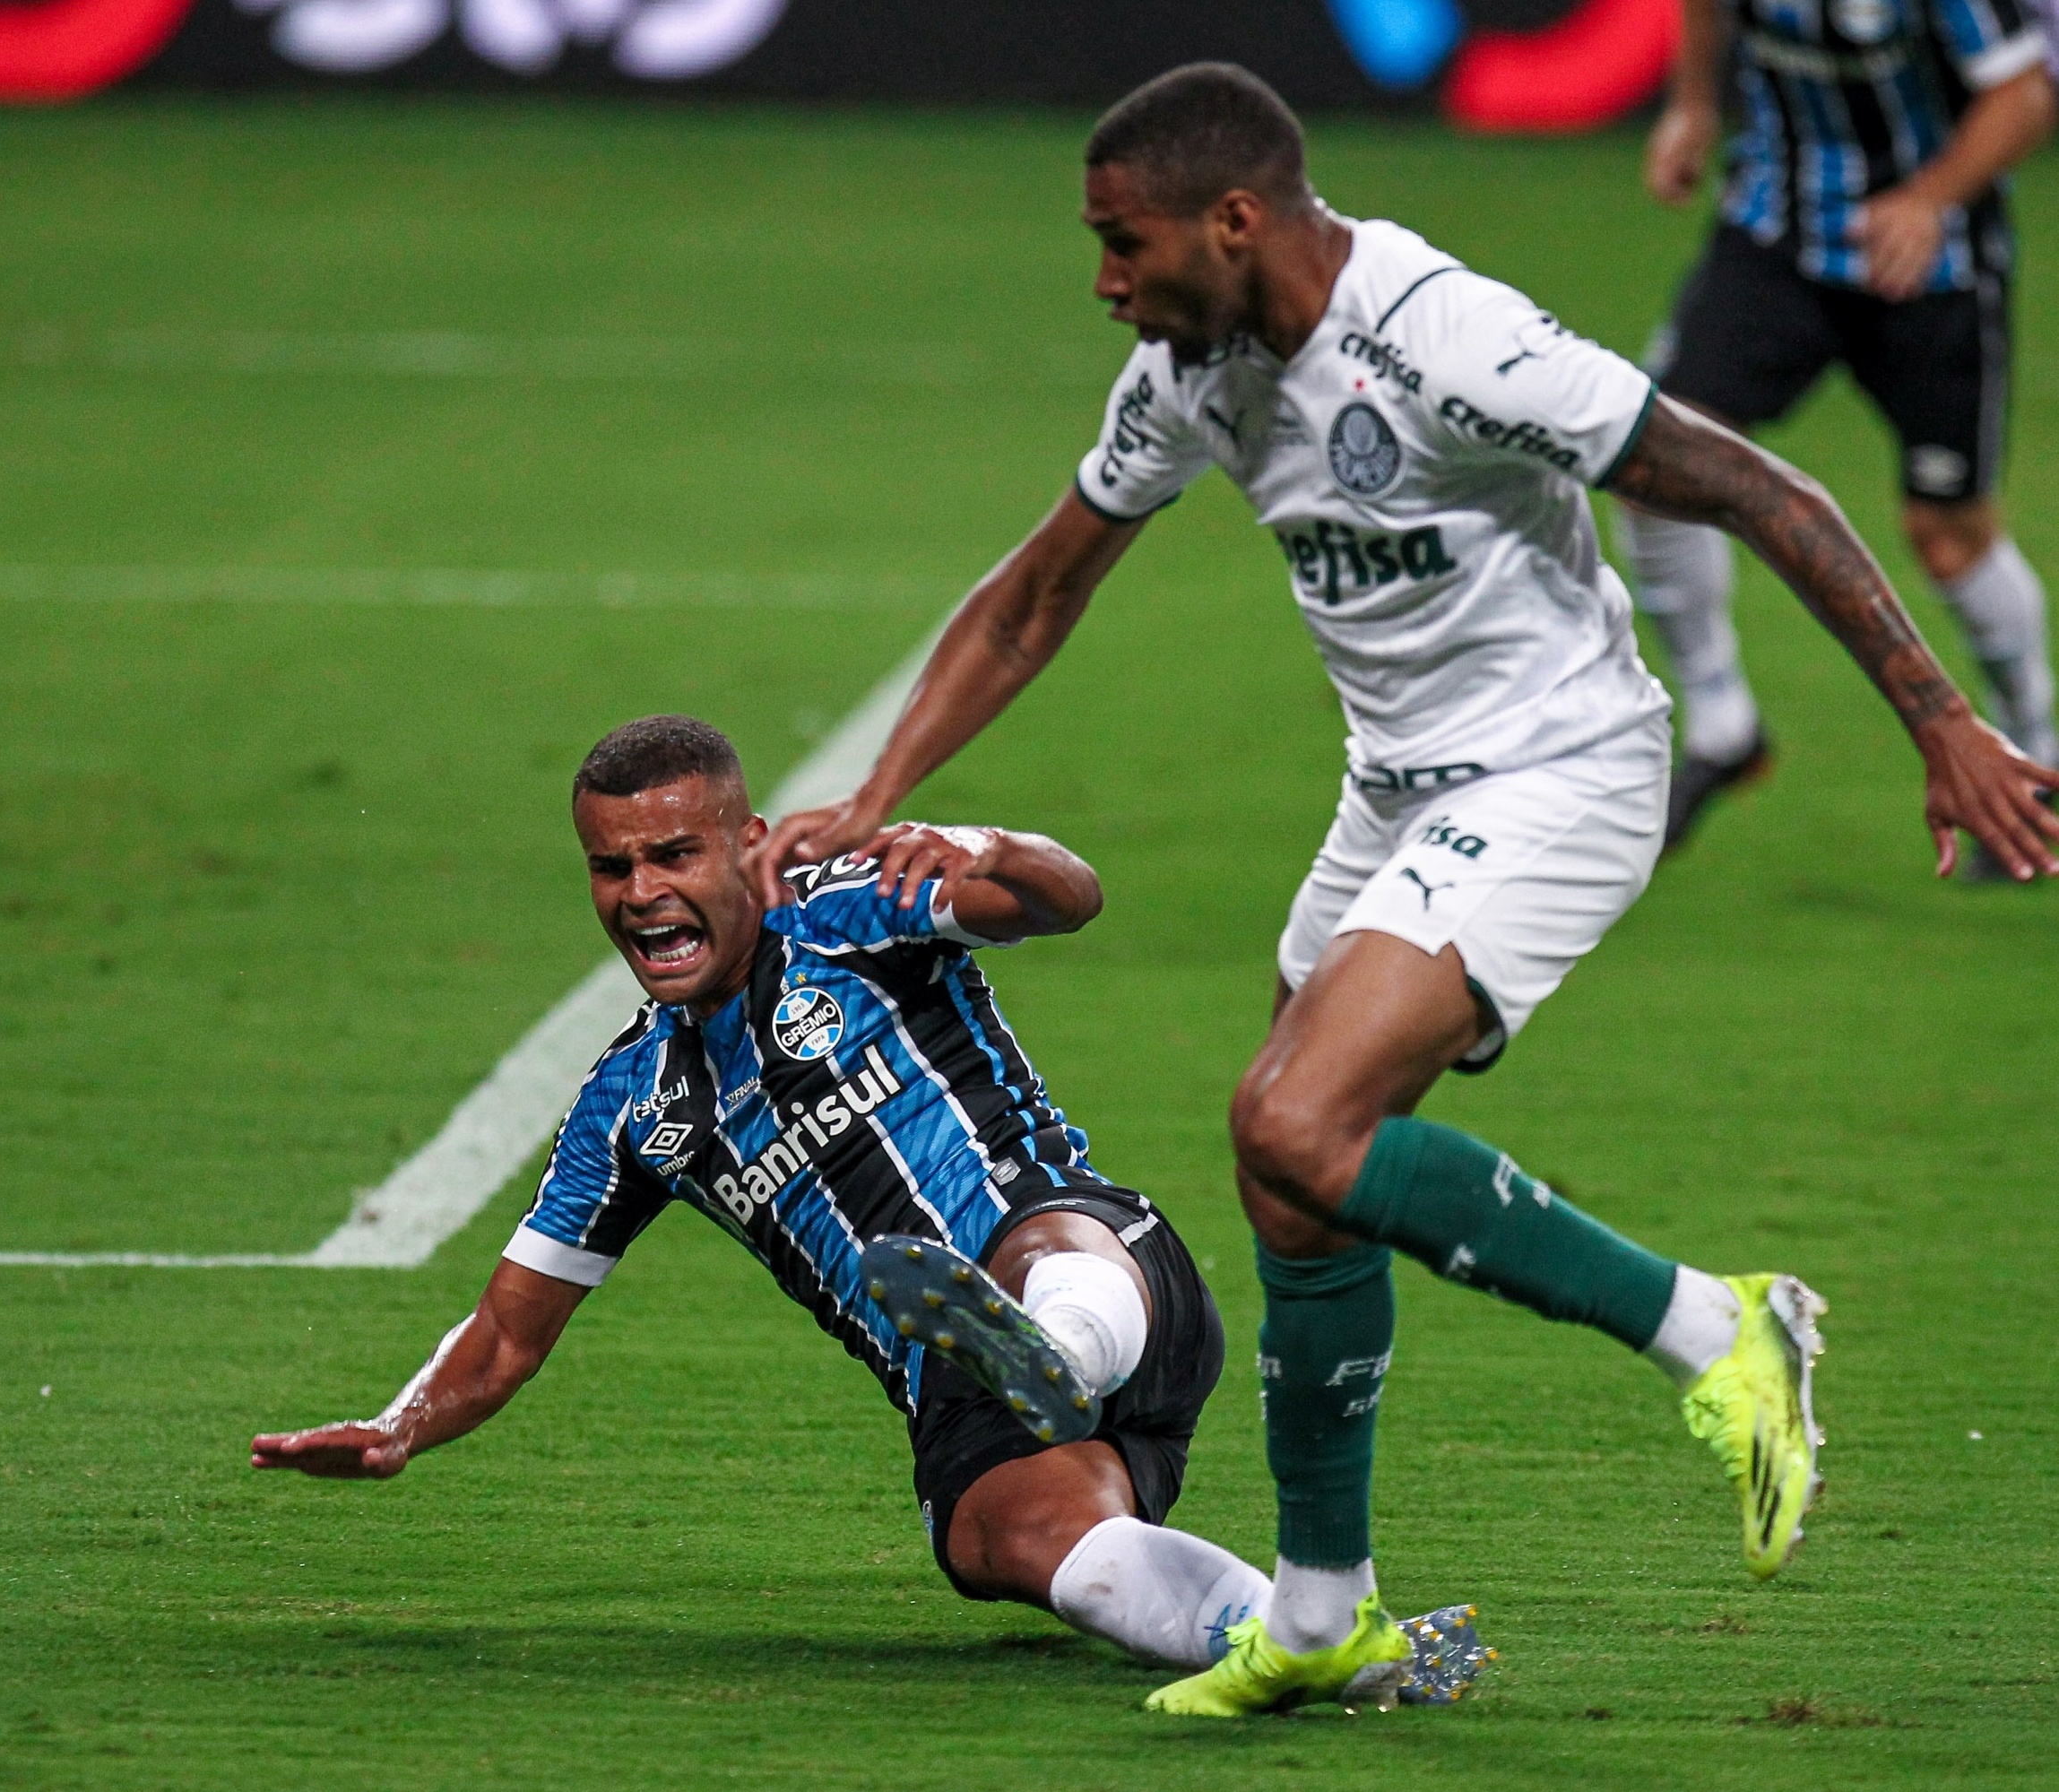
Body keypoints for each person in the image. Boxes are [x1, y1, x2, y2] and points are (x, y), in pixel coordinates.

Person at [753, 63, 2059, 1718]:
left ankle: (1718, 1324)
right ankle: (1318, 1609)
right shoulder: (1191, 369)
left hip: (1564, 769)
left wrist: (1943, 721)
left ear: (1235, 220)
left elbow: (1759, 485)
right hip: (1398, 789)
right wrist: (876, 797)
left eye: (1121, 241)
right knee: (1301, 1184)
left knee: (1294, 1117)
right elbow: (1035, 593)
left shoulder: (1447, 338)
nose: (1103, 282)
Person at [250, 715, 1489, 1708]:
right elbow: (508, 1332)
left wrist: (966, 839)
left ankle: (1048, 1349)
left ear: (745, 843)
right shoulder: (630, 1104)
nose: (639, 892)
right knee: (1015, 1543)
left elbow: (1066, 896)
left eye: (672, 854)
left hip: (1098, 1257)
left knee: (1027, 1243)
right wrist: (403, 1425)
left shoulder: (844, 907)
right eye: (610, 864)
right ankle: (1325, 1643)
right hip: (960, 1390)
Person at [1633, 0, 2057, 854]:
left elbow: (2023, 95)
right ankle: (1722, 724)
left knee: (1947, 535)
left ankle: (2035, 755)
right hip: (1776, 239)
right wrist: (1695, 107)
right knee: (1655, 466)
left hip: (1930, 269)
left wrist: (1930, 198)